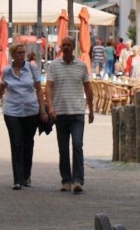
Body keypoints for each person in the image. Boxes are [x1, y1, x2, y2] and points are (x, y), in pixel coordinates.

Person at [0, 42, 47, 189]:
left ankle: (26, 175)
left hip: (31, 110)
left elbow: (39, 90)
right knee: (16, 143)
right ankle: (17, 179)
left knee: (28, 142)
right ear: (13, 55)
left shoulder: (32, 68)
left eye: (23, 52)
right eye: (19, 53)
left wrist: (42, 110)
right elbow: (1, 90)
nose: (22, 55)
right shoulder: (7, 71)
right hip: (12, 110)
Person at [45, 35, 94, 193]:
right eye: (63, 45)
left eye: (68, 45)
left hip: (77, 112)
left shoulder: (81, 65)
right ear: (60, 47)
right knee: (63, 149)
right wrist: (50, 107)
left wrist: (91, 109)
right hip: (60, 113)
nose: (65, 47)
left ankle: (78, 180)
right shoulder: (53, 66)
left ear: (74, 47)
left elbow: (88, 88)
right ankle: (66, 180)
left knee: (78, 145)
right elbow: (49, 87)